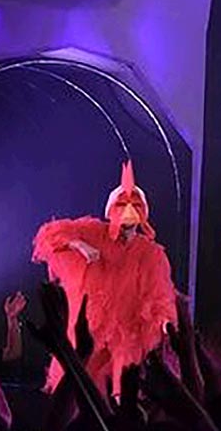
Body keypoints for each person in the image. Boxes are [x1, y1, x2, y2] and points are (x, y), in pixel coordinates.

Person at [30, 161, 181, 397]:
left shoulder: (150, 254)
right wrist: (78, 244)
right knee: (77, 388)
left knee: (123, 390)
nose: (127, 221)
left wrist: (163, 323)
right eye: (121, 208)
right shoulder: (93, 233)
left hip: (127, 334)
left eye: (135, 210)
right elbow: (49, 235)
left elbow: (160, 295)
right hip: (90, 328)